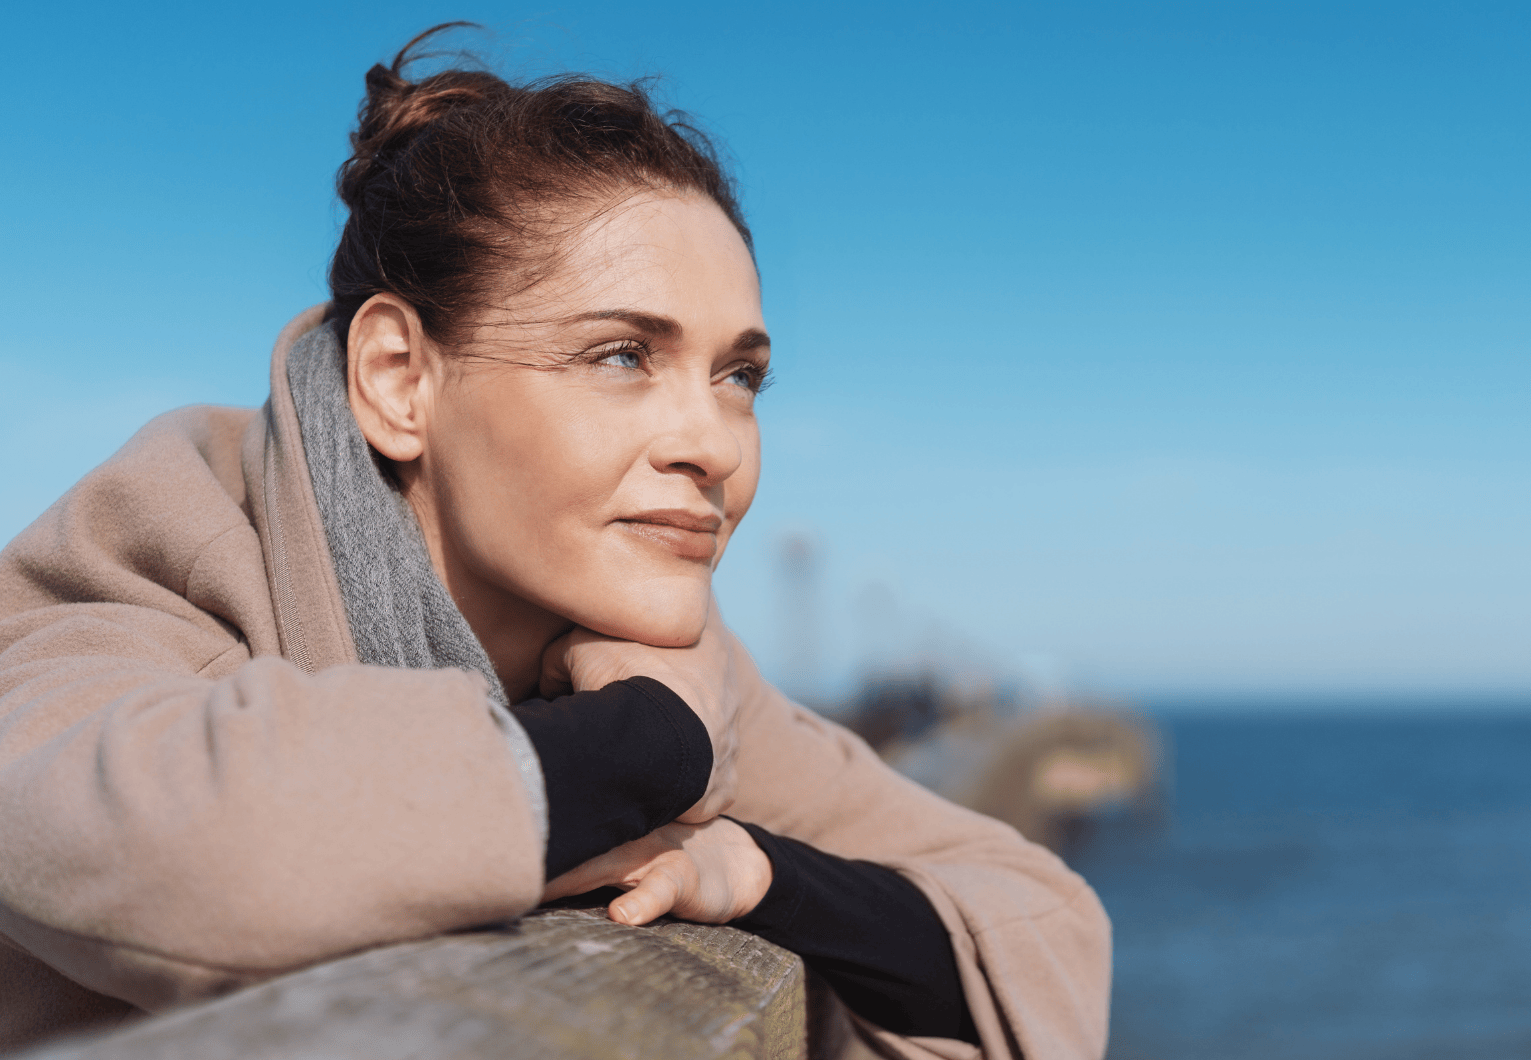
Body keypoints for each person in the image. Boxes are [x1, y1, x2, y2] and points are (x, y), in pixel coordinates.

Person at [0, 25, 1109, 1059]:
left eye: (739, 377)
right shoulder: (155, 550)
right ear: (398, 380)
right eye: (622, 355)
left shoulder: (645, 648)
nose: (712, 444)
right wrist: (648, 745)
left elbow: (1040, 927)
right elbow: (173, 842)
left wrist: (760, 872)